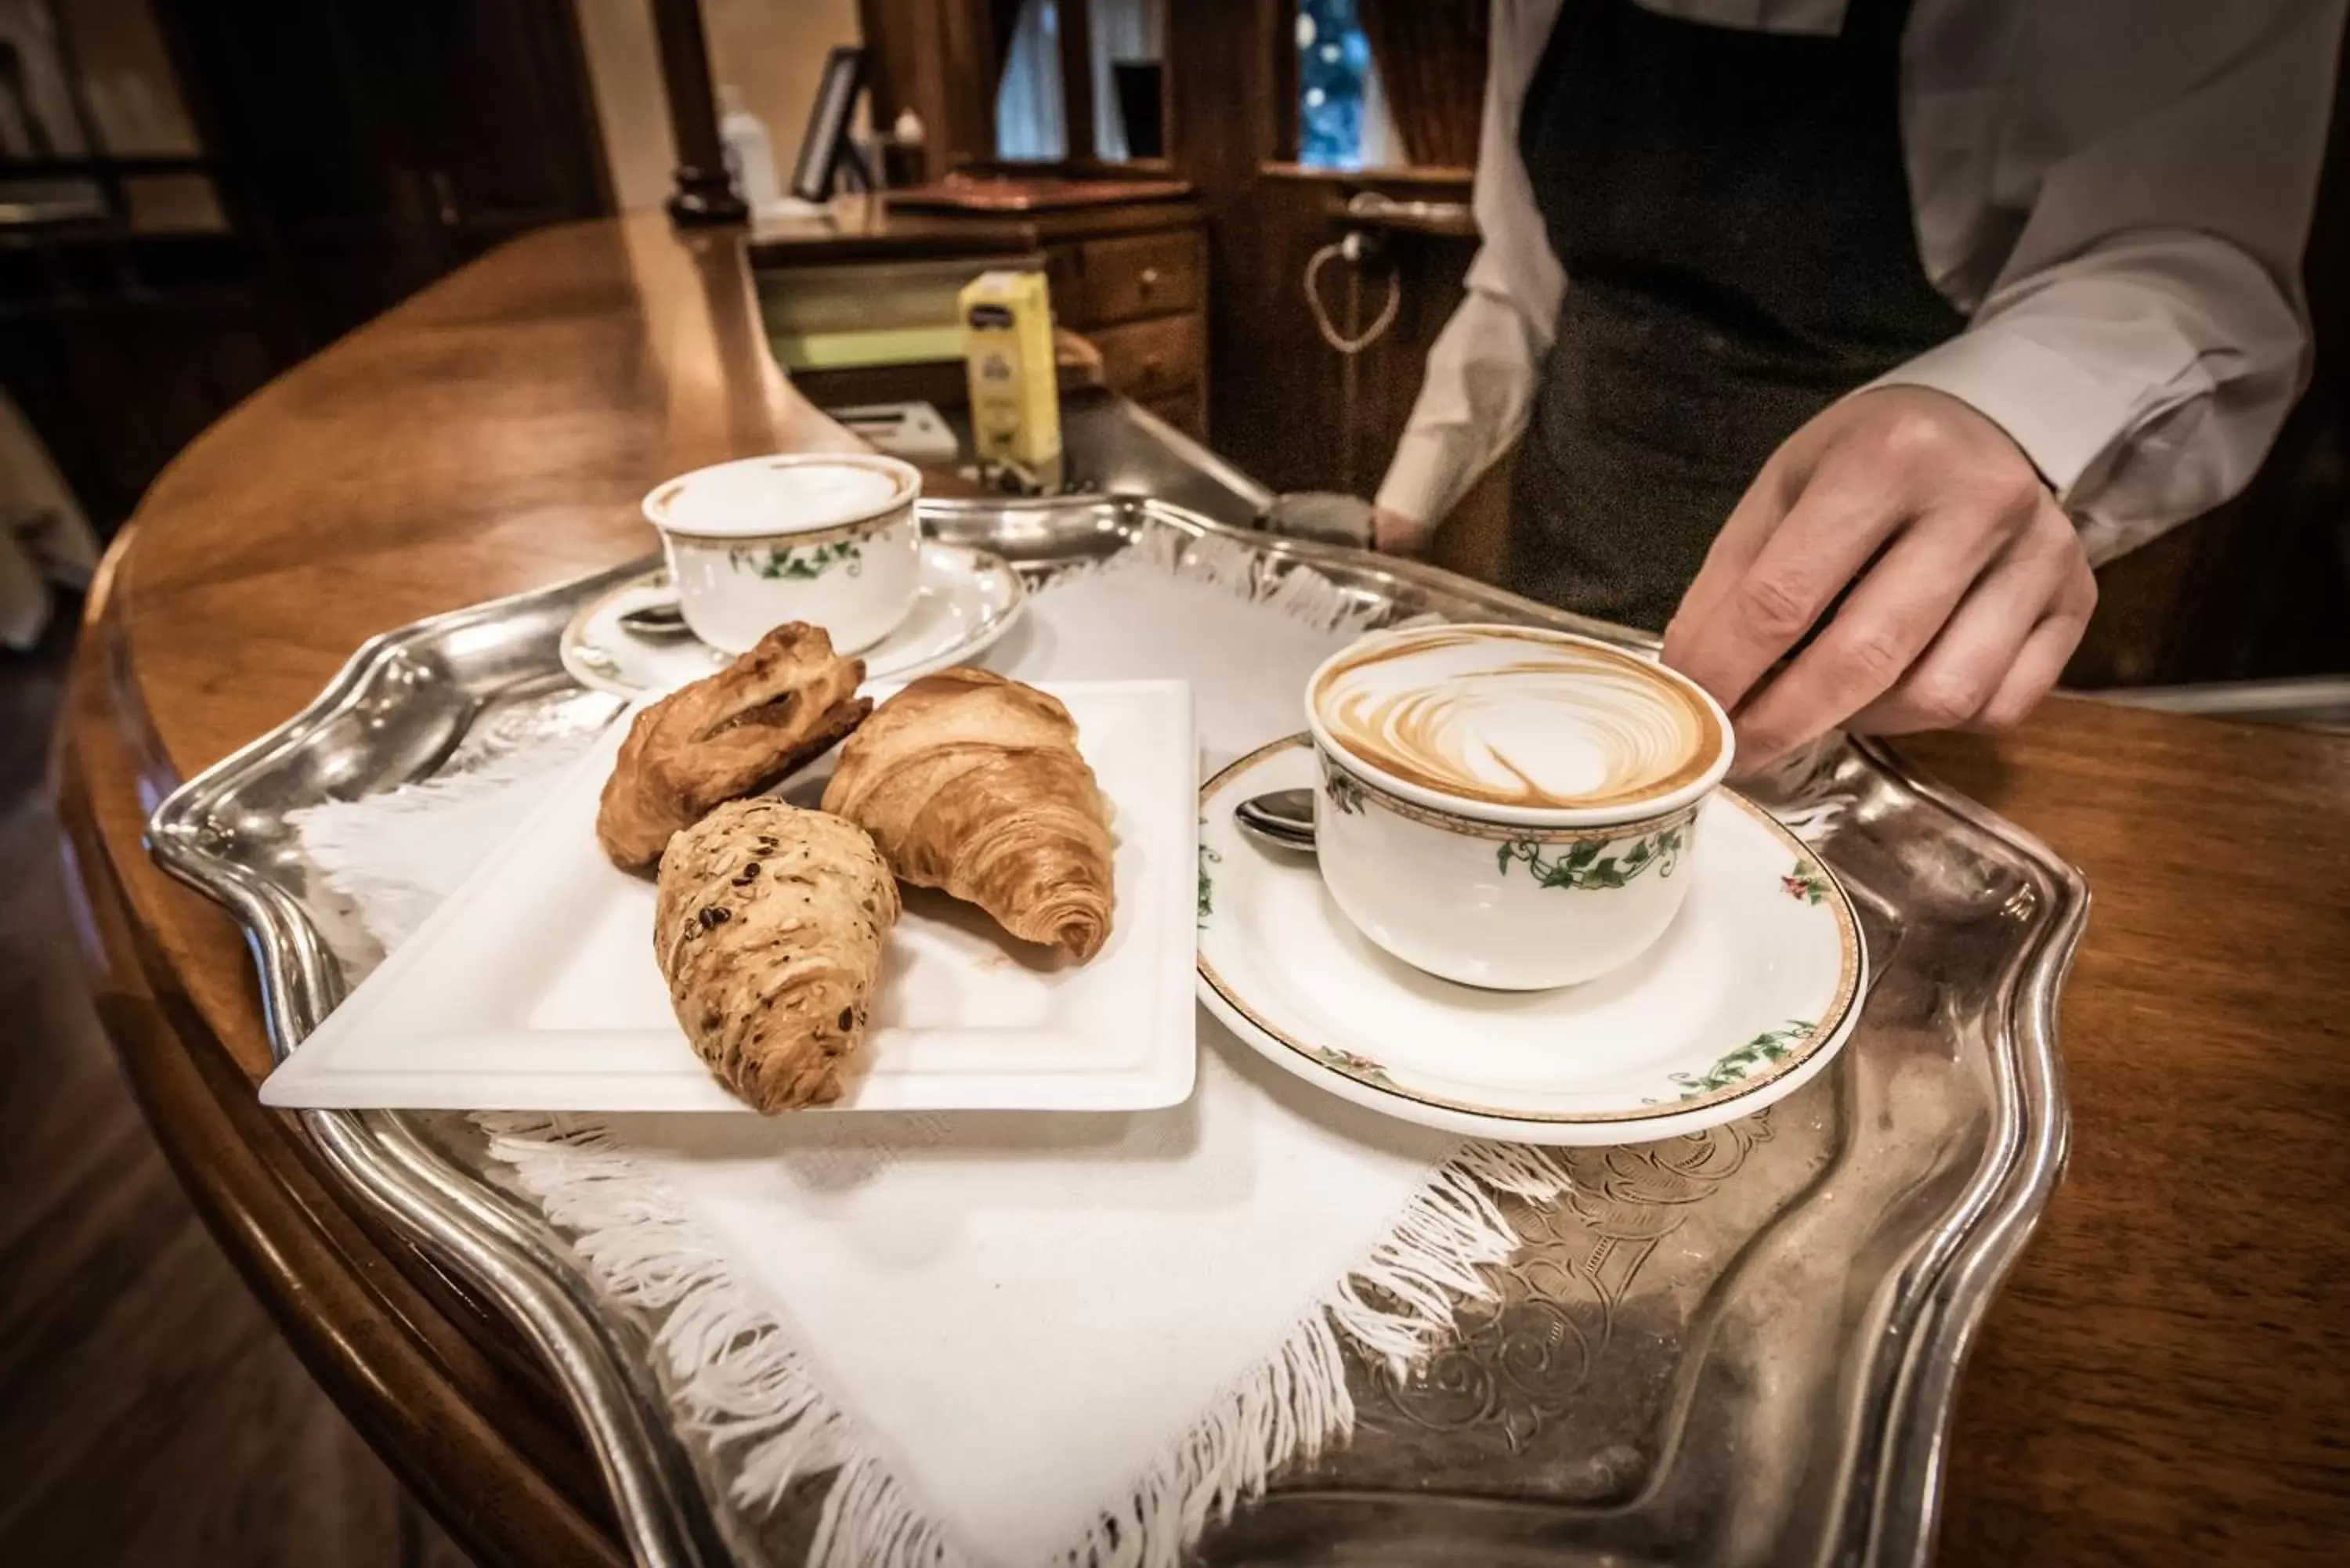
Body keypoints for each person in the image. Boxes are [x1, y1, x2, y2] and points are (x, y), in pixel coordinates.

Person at [1372, 0, 2343, 768]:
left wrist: (2002, 413)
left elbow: (2191, 261)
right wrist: (1407, 510)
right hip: (1558, 565)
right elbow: (1520, 274)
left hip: (1877, 674)